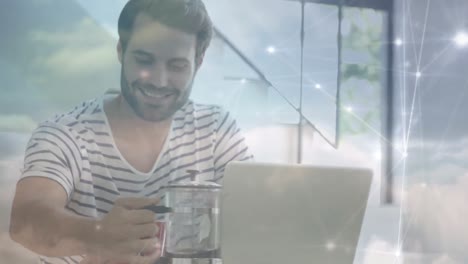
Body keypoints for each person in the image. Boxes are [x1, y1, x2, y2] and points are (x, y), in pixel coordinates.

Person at [9, 0, 252, 263]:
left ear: (198, 62)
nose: (159, 81)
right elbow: (27, 221)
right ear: (120, 51)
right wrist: (98, 233)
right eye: (144, 60)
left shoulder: (216, 128)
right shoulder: (65, 132)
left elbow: (258, 213)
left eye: (177, 66)